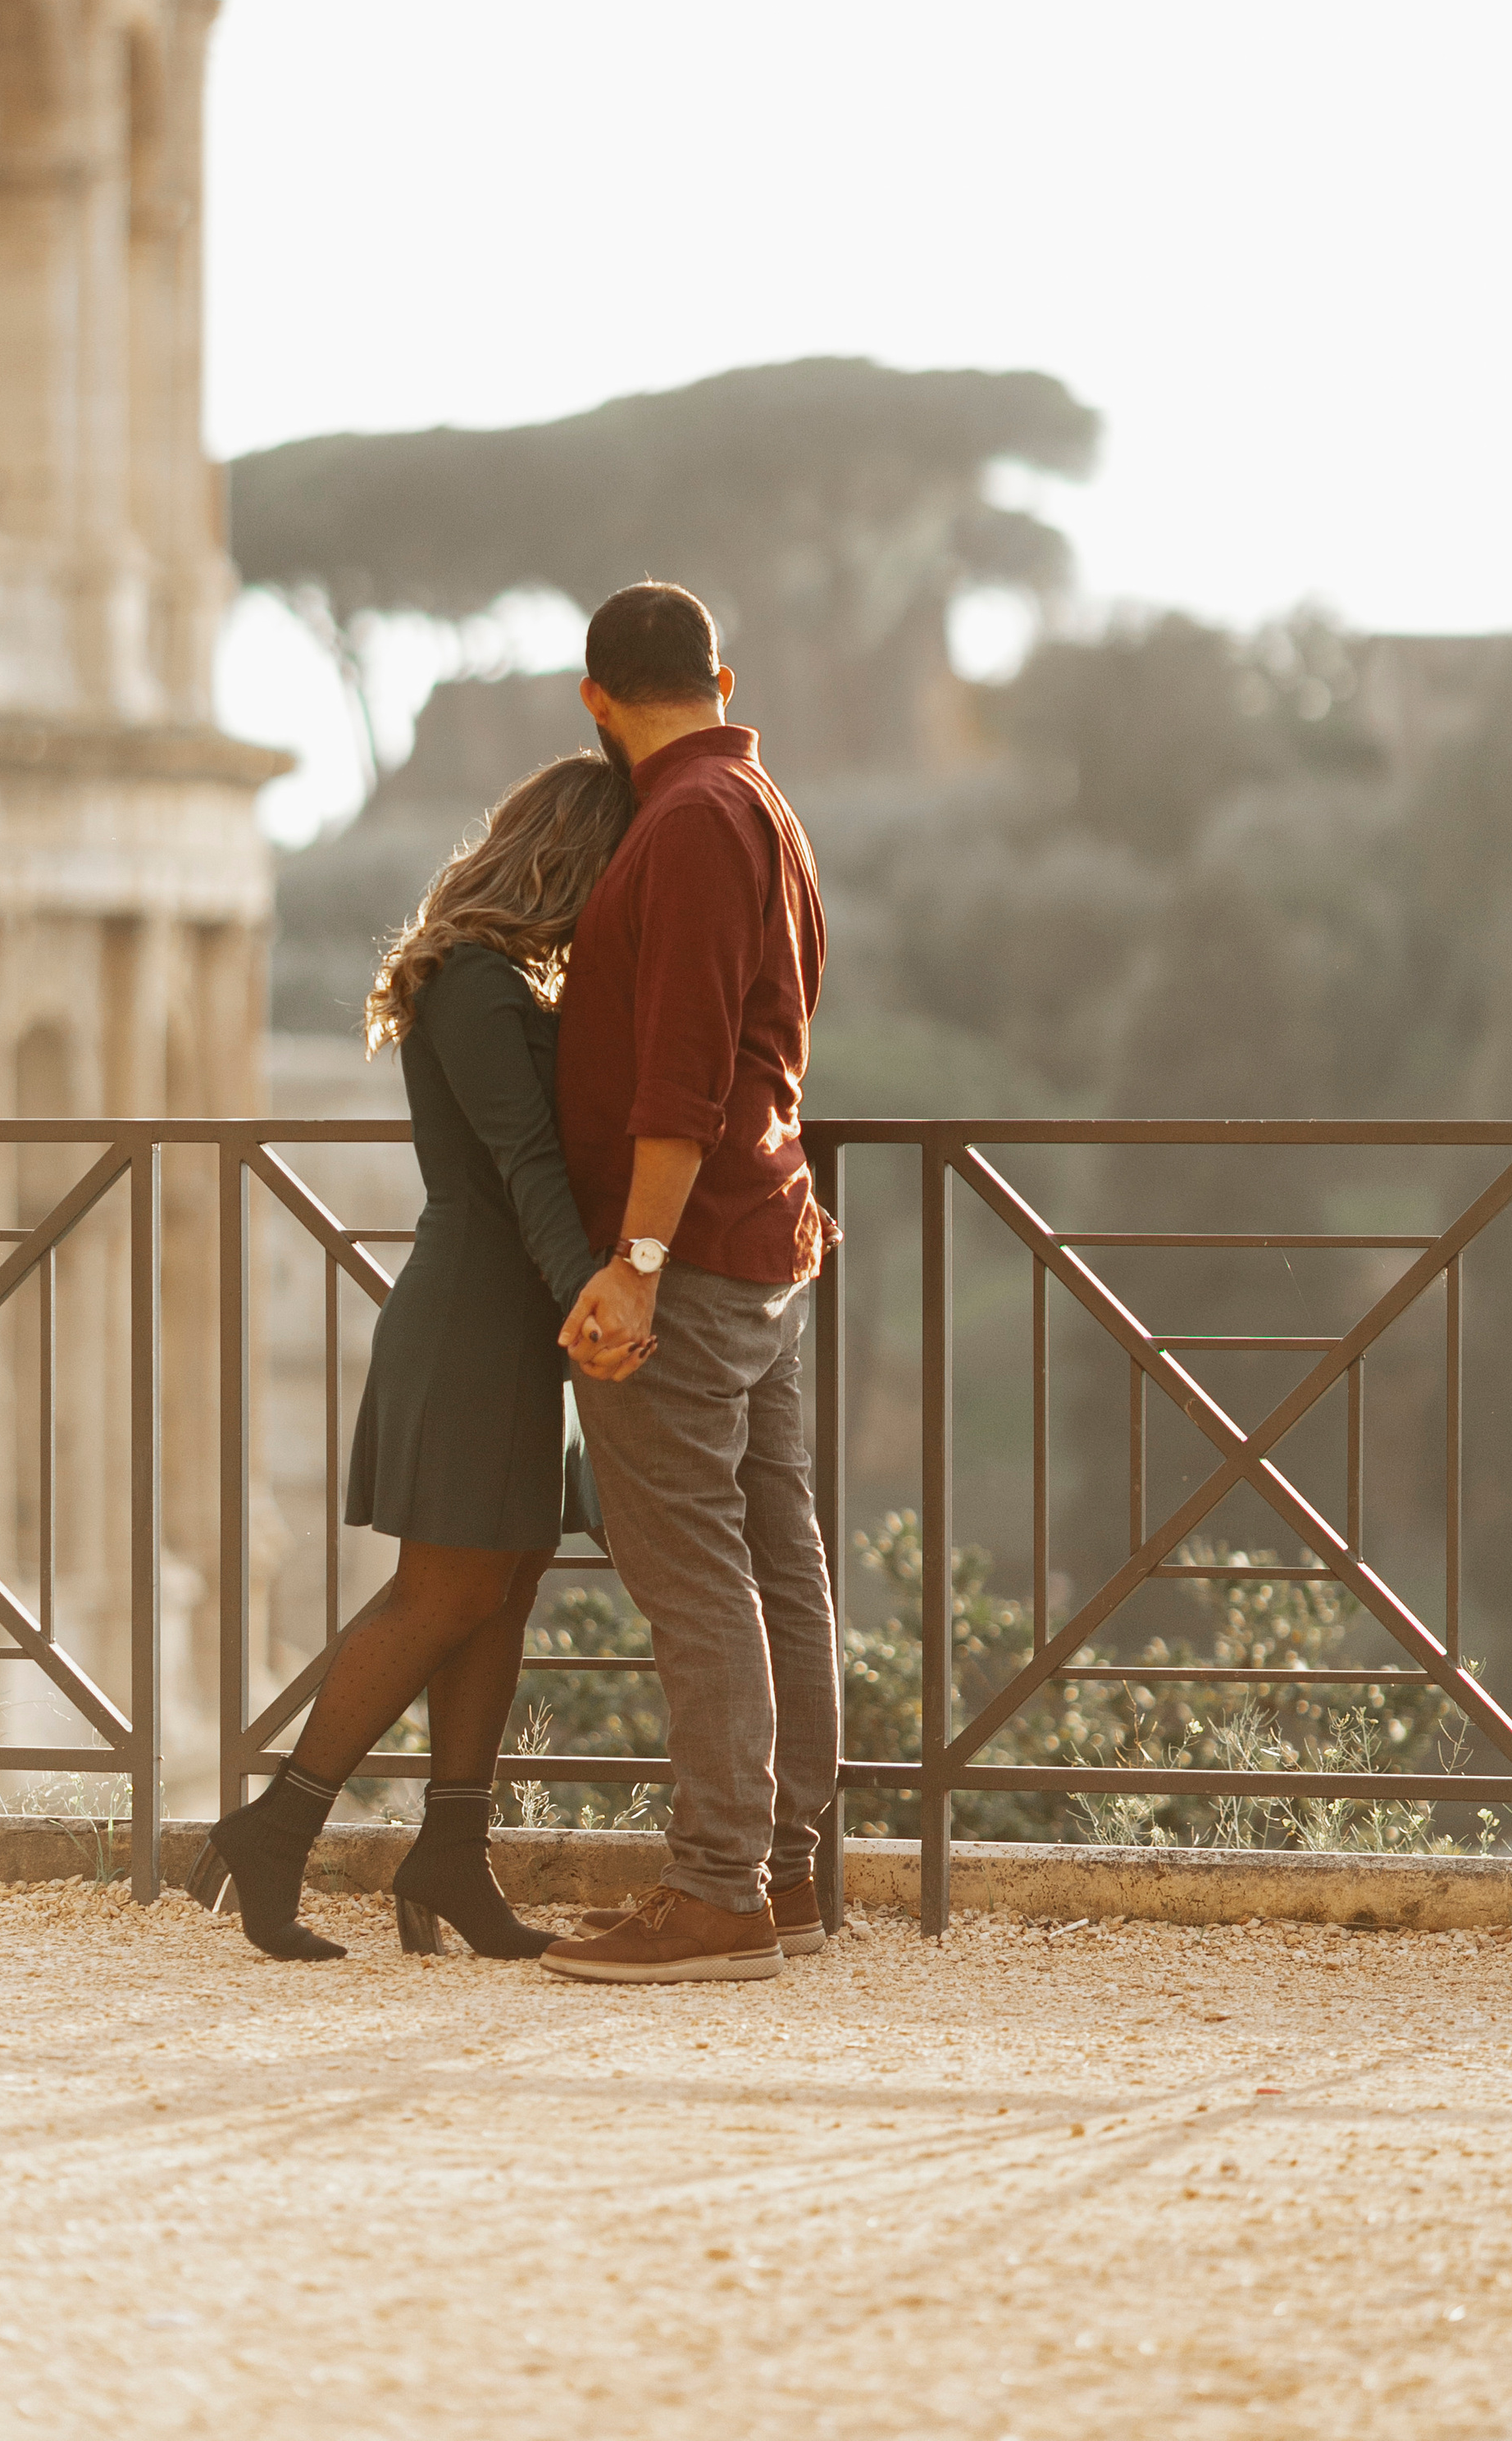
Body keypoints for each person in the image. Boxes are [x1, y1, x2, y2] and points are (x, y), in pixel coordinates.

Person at [189, 750, 641, 1963]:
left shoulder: (504, 986)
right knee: (443, 1588)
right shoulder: (477, 987)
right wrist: (592, 1302)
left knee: (505, 1579)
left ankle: (451, 1850)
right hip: (476, 1319)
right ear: (576, 859)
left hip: (510, 1319)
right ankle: (275, 1828)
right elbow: (523, 1166)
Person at [540, 581, 841, 1986]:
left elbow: (686, 1072)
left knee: (700, 1573)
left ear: (595, 701)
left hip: (701, 1251)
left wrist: (637, 1264)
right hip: (767, 1239)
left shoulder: (689, 825)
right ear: (720, 674)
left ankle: (721, 1887)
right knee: (777, 1557)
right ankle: (777, 1869)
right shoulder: (762, 809)